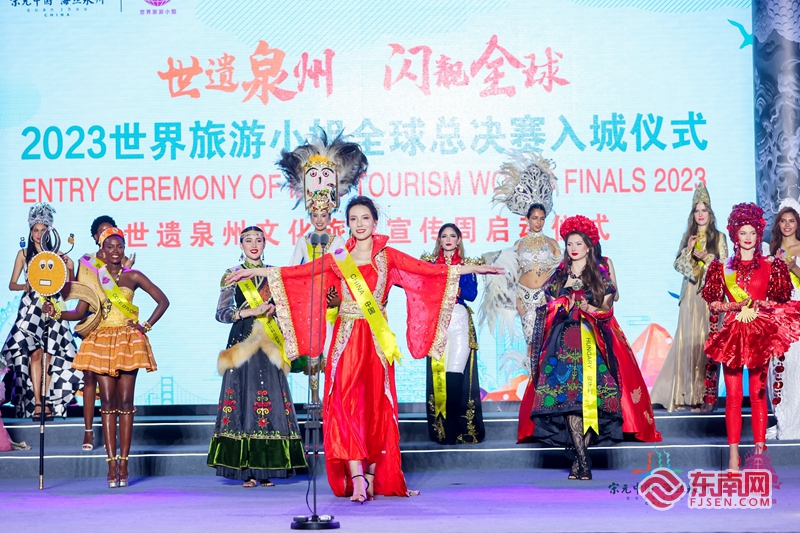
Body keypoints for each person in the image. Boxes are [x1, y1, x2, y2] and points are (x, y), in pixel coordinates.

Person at [226, 195, 503, 503]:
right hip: (346, 340)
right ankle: (356, 477)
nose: (359, 224)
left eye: (365, 218)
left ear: (375, 222)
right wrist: (256, 273)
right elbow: (300, 274)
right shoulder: (339, 257)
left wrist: (474, 270)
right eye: (353, 219)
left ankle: (371, 478)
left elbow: (427, 272)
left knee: (376, 408)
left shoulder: (388, 256)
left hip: (377, 341)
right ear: (348, 224)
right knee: (346, 405)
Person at [518, 215, 661, 480]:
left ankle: (580, 460)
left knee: (590, 400)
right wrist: (564, 302)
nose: (574, 248)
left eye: (579, 243)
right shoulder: (560, 274)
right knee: (569, 402)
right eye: (570, 243)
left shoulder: (599, 271)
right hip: (563, 344)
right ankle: (582, 459)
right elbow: (547, 305)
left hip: (593, 339)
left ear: (588, 246)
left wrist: (590, 307)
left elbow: (608, 304)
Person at [43, 227, 169, 488]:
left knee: (126, 402)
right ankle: (111, 465)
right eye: (109, 247)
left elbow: (163, 301)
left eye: (119, 246)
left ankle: (124, 464)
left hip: (128, 341)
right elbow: (79, 313)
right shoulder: (93, 279)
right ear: (101, 250)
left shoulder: (133, 275)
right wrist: (54, 312)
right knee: (108, 401)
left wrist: (145, 325)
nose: (115, 251)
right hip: (100, 342)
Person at [701, 203, 800, 470]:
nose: (747, 237)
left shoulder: (772, 265)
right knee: (733, 397)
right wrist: (736, 306)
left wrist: (758, 304)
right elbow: (713, 304)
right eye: (742, 232)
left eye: (752, 233)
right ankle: (733, 455)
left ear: (758, 235)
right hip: (733, 333)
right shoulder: (721, 267)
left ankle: (758, 454)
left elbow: (780, 302)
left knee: (757, 394)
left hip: (759, 333)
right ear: (735, 234)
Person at [207, 226, 307, 487]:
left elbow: (288, 309)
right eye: (248, 240)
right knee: (243, 400)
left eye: (259, 240)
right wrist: (250, 312)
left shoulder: (274, 274)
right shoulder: (232, 274)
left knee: (269, 401)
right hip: (242, 343)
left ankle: (266, 470)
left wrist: (275, 310)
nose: (254, 244)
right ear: (240, 245)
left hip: (270, 344)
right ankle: (246, 471)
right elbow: (221, 313)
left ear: (265, 244)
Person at [651, 184, 728, 412]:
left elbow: (725, 267)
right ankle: (685, 395)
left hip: (711, 298)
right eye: (697, 210)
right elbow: (678, 265)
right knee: (687, 344)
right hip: (690, 296)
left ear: (710, 213)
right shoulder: (689, 237)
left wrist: (708, 258)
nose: (700, 214)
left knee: (707, 344)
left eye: (704, 210)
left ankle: (706, 397)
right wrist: (689, 251)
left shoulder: (719, 237)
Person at [2, 203, 81, 419]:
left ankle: (46, 400)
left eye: (43, 230)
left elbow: (70, 288)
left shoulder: (58, 255)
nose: (38, 234)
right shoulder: (23, 254)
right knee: (34, 353)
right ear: (30, 232)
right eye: (35, 230)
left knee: (49, 355)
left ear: (49, 232)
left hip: (53, 306)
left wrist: (71, 268)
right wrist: (24, 286)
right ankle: (37, 402)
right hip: (31, 308)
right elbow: (12, 284)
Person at [481, 152, 562, 361]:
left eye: (542, 218)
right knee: (532, 349)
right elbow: (512, 276)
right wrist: (519, 304)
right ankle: (532, 383)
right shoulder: (519, 245)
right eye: (534, 218)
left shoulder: (552, 243)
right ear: (527, 219)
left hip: (546, 299)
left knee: (550, 349)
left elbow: (562, 274)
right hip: (526, 299)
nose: (538, 222)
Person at [282, 136, 349, 373]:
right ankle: (313, 391)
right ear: (310, 216)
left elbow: (346, 271)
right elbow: (291, 269)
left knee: (330, 345)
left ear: (330, 216)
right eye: (315, 215)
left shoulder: (338, 241)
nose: (319, 219)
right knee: (311, 350)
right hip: (308, 298)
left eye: (324, 215)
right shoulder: (303, 241)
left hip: (331, 298)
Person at [421, 223, 485, 445]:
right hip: (437, 323)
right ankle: (443, 430)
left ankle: (455, 429)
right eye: (444, 236)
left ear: (458, 240)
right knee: (439, 375)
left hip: (459, 320)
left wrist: (456, 289)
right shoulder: (429, 266)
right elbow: (422, 291)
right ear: (439, 240)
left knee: (455, 375)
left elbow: (472, 294)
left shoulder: (467, 266)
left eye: (452, 236)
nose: (448, 240)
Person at [76, 215, 136, 451]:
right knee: (90, 377)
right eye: (103, 232)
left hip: (116, 326)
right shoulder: (87, 262)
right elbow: (81, 290)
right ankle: (88, 432)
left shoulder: (121, 263)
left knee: (118, 384)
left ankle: (115, 436)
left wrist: (126, 269)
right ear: (96, 238)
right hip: (92, 320)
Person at [766, 199, 800, 440]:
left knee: (796, 368)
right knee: (779, 368)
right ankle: (783, 418)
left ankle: (795, 421)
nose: (787, 225)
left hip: (798, 313)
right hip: (778, 315)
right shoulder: (771, 250)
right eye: (783, 221)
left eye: (792, 221)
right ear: (778, 224)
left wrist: (793, 267)